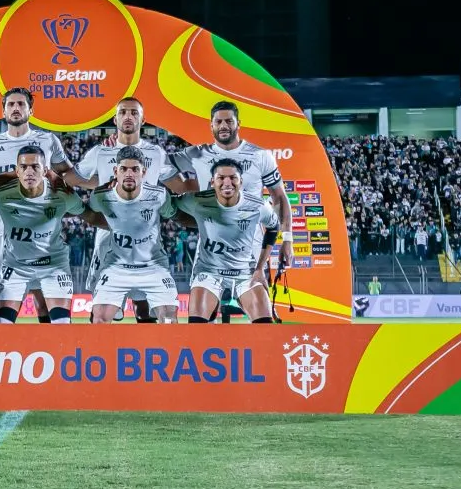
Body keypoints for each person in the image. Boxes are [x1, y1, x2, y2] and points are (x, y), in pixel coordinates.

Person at [64, 97, 184, 322]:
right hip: (108, 240)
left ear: (143, 119)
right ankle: (104, 355)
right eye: (123, 112)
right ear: (115, 118)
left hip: (144, 239)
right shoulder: (101, 151)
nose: (128, 117)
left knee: (144, 306)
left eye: (134, 113)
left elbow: (180, 185)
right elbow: (70, 179)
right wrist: (102, 184)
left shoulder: (155, 153)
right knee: (102, 311)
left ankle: (144, 354)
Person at [0, 87, 71, 323]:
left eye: (21, 104)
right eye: (10, 104)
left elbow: (68, 174)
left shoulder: (47, 139)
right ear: (3, 111)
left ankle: (50, 353)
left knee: (43, 303)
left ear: (30, 110)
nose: (15, 108)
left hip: (41, 230)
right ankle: (3, 353)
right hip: (3, 230)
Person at [170, 100, 294, 271]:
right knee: (210, 297)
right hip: (211, 248)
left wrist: (287, 239)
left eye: (229, 121)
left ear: (238, 124)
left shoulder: (260, 156)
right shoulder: (198, 154)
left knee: (254, 296)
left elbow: (279, 198)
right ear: (211, 125)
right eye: (218, 121)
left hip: (251, 248)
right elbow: (156, 164)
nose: (223, 126)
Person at [0, 145, 84, 324]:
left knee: (49, 312)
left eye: (35, 167)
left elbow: (85, 211)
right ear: (17, 170)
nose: (29, 171)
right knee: (1, 319)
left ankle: (50, 348)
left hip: (50, 261)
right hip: (9, 249)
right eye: (24, 167)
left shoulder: (60, 191)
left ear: (45, 170)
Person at [175, 158, 280, 324]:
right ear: (212, 181)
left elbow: (274, 227)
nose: (227, 183)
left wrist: (260, 268)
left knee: (265, 326)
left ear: (241, 181)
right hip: (209, 271)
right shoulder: (197, 200)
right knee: (197, 327)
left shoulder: (257, 206)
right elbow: (169, 207)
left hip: (246, 273)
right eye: (221, 178)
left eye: (233, 178)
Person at [84, 146, 181, 324]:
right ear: (116, 171)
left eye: (135, 169)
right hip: (116, 267)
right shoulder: (100, 197)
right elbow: (88, 214)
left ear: (143, 172)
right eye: (124, 169)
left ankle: (159, 351)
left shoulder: (159, 195)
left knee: (168, 319)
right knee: (98, 319)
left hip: (153, 266)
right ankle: (102, 352)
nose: (129, 174)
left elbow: (178, 215)